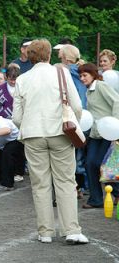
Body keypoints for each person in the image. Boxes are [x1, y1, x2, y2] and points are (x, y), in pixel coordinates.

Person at [12, 39, 88, 244]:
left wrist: (28, 126)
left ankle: (45, 232)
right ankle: (71, 230)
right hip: (60, 132)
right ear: (48, 55)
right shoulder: (62, 72)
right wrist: (74, 123)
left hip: (32, 134)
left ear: (29, 56)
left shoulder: (22, 79)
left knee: (40, 184)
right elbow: (77, 106)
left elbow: (17, 118)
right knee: (65, 181)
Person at [78, 63, 119, 208]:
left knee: (102, 164)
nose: (82, 78)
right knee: (90, 164)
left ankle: (117, 192)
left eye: (85, 75)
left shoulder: (101, 86)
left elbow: (116, 101)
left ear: (93, 74)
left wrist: (115, 124)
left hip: (109, 132)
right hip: (96, 134)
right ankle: (96, 199)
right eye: (80, 76)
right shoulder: (88, 91)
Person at [60, 44, 88, 198]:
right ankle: (83, 187)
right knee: (82, 155)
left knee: (71, 156)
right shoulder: (83, 71)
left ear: (65, 57)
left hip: (72, 116)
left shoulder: (66, 71)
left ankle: (74, 188)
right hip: (86, 117)